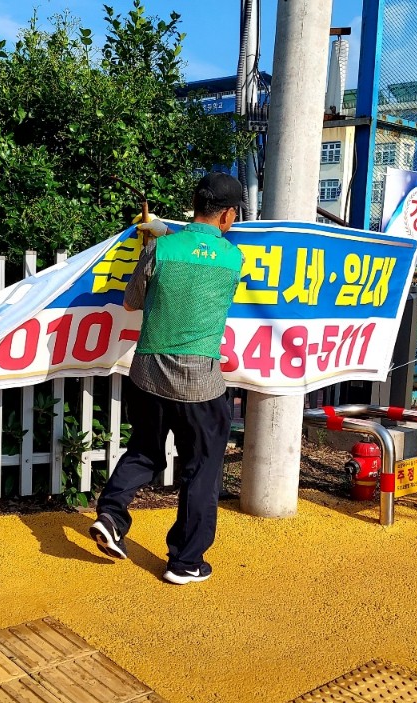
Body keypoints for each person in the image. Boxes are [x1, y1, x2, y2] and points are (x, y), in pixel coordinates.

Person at [89, 172, 245, 585]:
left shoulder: (160, 247)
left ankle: (112, 514)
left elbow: (133, 300)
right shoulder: (233, 259)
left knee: (145, 451)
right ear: (228, 216)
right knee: (202, 468)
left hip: (148, 373)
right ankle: (185, 561)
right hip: (200, 382)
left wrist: (151, 247)